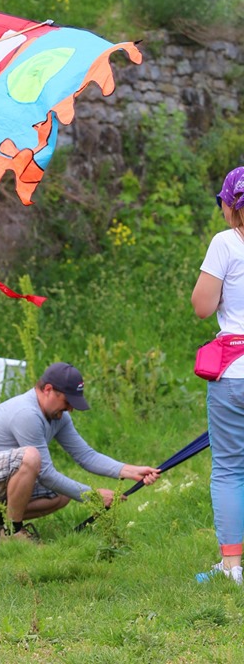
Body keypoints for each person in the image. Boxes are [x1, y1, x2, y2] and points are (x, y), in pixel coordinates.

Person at [0, 361, 160, 540]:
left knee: (62, 493)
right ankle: (12, 534)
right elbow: (46, 474)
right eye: (67, 402)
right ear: (48, 390)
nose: (70, 409)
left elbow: (85, 456)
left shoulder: (58, 416)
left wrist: (130, 471)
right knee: (31, 458)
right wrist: (93, 496)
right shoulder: (27, 413)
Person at [192, 166, 244, 585]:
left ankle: (231, 566)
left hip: (234, 374)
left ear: (229, 205)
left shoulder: (226, 243)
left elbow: (203, 307)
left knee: (229, 468)